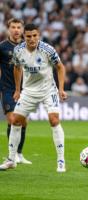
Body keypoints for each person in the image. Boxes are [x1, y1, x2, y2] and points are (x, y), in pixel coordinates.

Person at [0, 23, 67, 172]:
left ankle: (61, 161)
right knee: (16, 121)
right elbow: (17, 68)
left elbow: (60, 67)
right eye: (29, 36)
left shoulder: (47, 50)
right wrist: (18, 89)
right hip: (29, 91)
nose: (32, 39)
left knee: (54, 119)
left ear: (39, 35)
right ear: (24, 36)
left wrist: (61, 89)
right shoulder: (18, 50)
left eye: (34, 36)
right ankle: (11, 159)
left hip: (47, 90)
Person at [0, 18, 31, 164]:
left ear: (23, 29)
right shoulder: (2, 47)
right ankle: (11, 155)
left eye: (19, 27)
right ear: (8, 29)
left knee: (23, 122)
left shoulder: (28, 46)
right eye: (13, 27)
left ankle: (19, 153)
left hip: (26, 89)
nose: (16, 30)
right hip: (7, 88)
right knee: (13, 119)